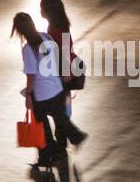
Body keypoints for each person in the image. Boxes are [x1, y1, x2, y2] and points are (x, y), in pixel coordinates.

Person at [12, 12, 87, 166]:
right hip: (57, 88)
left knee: (42, 127)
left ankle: (46, 157)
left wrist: (28, 95)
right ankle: (75, 136)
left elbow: (31, 75)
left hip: (42, 94)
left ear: (19, 31)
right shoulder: (46, 37)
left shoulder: (28, 49)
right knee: (60, 118)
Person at [40, 0, 75, 116]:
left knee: (63, 105)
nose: (40, 10)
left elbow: (65, 48)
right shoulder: (56, 26)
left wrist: (66, 72)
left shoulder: (58, 29)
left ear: (49, 11)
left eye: (42, 8)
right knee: (63, 103)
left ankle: (65, 129)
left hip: (61, 71)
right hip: (58, 70)